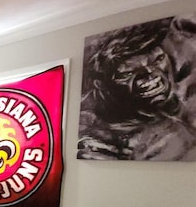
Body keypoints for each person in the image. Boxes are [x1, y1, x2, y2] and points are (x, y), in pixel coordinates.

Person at [77, 13, 196, 161]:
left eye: (158, 60)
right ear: (101, 85)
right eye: (128, 73)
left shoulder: (175, 134)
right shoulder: (93, 128)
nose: (151, 76)